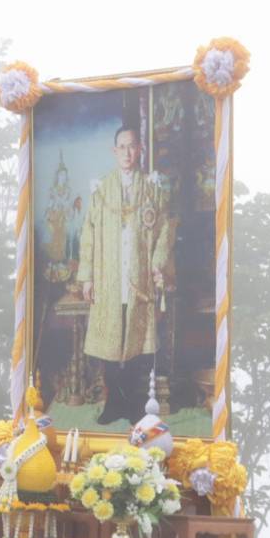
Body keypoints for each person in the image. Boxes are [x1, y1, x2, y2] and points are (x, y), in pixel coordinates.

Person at [76, 124, 176, 425]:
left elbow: (165, 232)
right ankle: (113, 404)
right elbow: (88, 235)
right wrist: (87, 277)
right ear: (114, 151)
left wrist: (157, 264)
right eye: (122, 147)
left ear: (139, 149)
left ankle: (132, 404)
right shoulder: (101, 191)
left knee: (135, 342)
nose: (127, 152)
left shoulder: (152, 190)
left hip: (138, 280)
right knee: (110, 343)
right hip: (108, 279)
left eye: (132, 146)